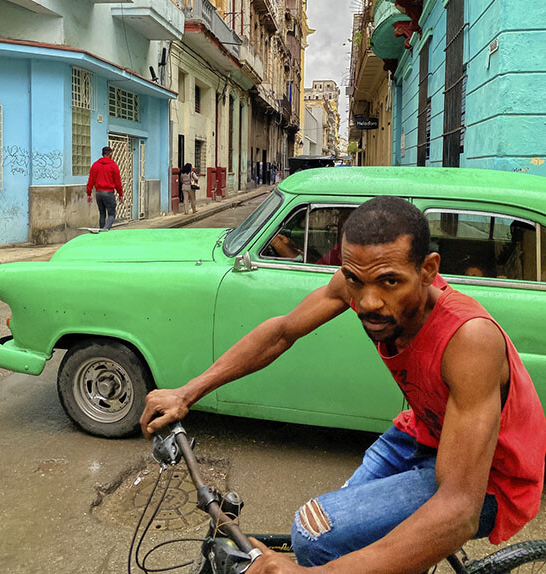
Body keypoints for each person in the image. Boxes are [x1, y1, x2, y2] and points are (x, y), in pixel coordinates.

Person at [140, 196, 546, 574]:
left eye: (389, 281)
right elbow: (281, 333)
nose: (368, 301)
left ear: (428, 270)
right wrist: (186, 392)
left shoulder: (469, 340)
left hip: (492, 474)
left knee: (315, 536)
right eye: (355, 280)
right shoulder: (361, 282)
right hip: (421, 434)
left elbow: (460, 508)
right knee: (339, 539)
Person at [86, 146, 123, 230]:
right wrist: (120, 194)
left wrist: (89, 194)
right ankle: (106, 229)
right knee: (111, 214)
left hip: (98, 193)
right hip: (108, 193)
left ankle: (101, 231)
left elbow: (90, 180)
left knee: (102, 213)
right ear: (110, 154)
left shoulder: (95, 165)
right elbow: (117, 182)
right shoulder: (113, 165)